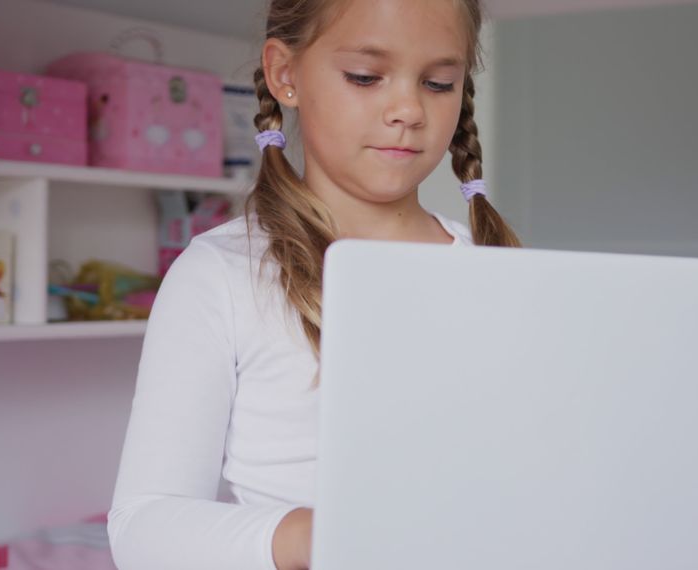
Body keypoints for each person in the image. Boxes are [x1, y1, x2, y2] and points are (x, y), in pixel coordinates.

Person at [106, 1, 520, 568]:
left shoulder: (500, 269)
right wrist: (318, 536)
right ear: (285, 75)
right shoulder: (221, 274)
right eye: (365, 77)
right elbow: (141, 527)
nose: (407, 109)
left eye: (438, 82)